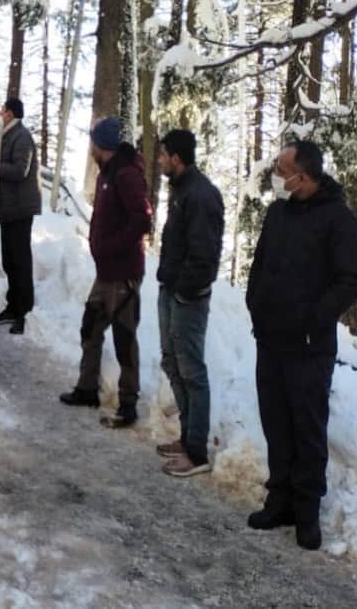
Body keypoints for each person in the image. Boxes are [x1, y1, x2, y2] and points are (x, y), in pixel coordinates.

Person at [245, 140, 357, 551]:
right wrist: (255, 304)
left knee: (307, 428)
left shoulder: (338, 219)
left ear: (305, 175)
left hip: (310, 348)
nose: (276, 176)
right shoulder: (278, 212)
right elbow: (259, 265)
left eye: (282, 169)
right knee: (276, 423)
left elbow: (352, 280)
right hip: (271, 340)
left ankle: (307, 511)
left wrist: (314, 317)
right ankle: (279, 499)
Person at [60, 117, 152, 428]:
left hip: (123, 273)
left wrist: (112, 246)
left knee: (124, 337)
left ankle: (128, 403)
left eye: (93, 144)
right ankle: (87, 388)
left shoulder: (127, 175)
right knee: (91, 326)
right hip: (105, 272)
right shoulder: (106, 175)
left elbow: (142, 220)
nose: (90, 149)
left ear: (103, 146)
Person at [155, 129, 225, 477]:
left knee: (192, 371)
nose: (160, 160)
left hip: (188, 298)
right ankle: (187, 437)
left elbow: (206, 256)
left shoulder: (201, 196)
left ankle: (197, 452)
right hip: (170, 291)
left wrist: (185, 290)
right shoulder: (181, 191)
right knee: (172, 362)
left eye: (163, 154)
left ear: (177, 158)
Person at [0, 98, 41, 335]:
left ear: (10, 114)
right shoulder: (9, 135)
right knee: (10, 260)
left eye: (3, 110)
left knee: (20, 261)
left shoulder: (22, 137)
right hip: (10, 209)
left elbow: (21, 170)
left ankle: (24, 311)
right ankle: (13, 306)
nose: (0, 114)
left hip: (20, 209)